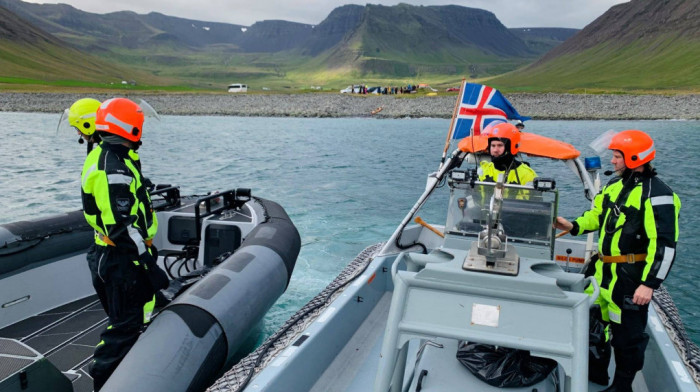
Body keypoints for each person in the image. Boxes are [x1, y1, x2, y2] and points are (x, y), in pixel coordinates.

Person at [554, 130, 680, 392]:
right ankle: (597, 373)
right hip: (603, 272)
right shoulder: (614, 186)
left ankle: (622, 387)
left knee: (627, 339)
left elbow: (664, 247)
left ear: (635, 158)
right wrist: (573, 225)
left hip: (630, 279)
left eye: (617, 156)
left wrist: (649, 284)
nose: (612, 161)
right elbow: (597, 216)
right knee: (593, 324)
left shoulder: (658, 195)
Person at [80, 98, 169, 390]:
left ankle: (137, 367)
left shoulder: (113, 156)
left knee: (134, 315)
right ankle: (104, 380)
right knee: (124, 326)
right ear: (129, 127)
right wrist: (147, 264)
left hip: (117, 255)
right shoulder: (113, 168)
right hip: (121, 258)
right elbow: (122, 227)